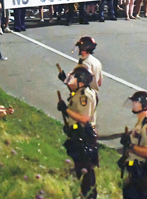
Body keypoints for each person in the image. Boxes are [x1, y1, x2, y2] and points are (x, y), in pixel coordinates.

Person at [58, 67, 98, 199]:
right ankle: (84, 193)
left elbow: (84, 118)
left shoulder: (84, 96)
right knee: (80, 167)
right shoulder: (80, 92)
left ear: (80, 81)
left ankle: (89, 195)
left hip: (83, 136)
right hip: (77, 134)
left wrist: (66, 110)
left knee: (85, 168)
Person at [119, 91, 147, 199]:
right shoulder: (140, 122)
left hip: (143, 174)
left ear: (144, 105)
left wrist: (130, 146)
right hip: (136, 174)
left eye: (136, 102)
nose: (133, 104)